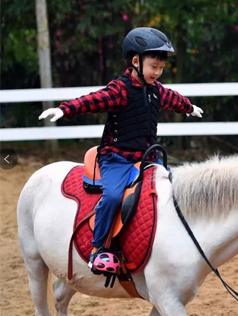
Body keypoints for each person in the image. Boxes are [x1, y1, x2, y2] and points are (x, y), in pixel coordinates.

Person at [39, 27, 204, 274]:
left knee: (171, 190)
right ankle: (99, 249)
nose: (157, 73)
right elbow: (93, 100)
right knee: (114, 197)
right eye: (153, 67)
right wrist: (65, 110)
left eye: (161, 69)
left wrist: (189, 107)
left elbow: (173, 98)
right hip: (116, 159)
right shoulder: (121, 89)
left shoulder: (156, 90)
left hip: (148, 158)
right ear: (136, 61)